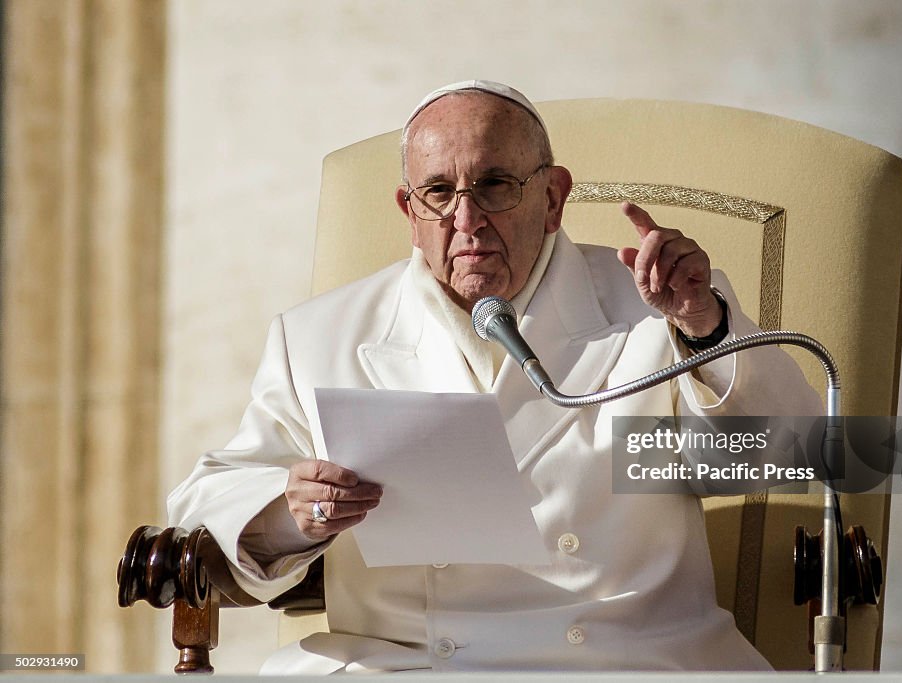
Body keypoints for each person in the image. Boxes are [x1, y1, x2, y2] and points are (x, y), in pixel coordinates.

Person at [168, 80, 822, 674]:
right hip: (404, 665)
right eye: (440, 192)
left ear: (553, 196)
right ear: (410, 209)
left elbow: (801, 453)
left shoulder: (660, 311)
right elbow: (203, 500)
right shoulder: (318, 337)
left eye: (495, 184)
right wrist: (292, 513)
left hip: (627, 659)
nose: (466, 218)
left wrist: (704, 327)